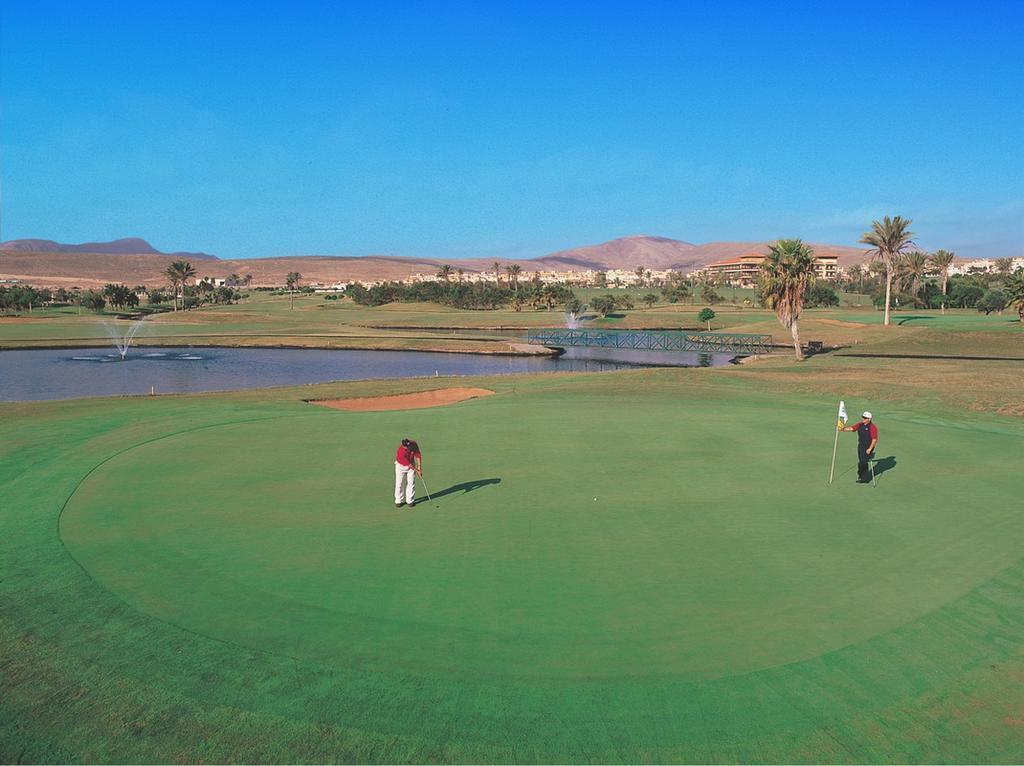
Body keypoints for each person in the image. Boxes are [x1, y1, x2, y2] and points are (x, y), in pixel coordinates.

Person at [840, 411, 878, 483]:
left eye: (865, 418)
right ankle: (862, 476)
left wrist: (870, 449)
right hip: (860, 446)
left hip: (868, 447)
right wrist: (843, 429)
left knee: (863, 462)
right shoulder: (860, 425)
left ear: (869, 419)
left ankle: (864, 478)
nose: (863, 418)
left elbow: (874, 439)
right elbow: (852, 428)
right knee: (862, 461)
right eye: (863, 417)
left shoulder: (872, 427)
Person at [394, 438, 422, 507]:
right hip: (401, 466)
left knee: (411, 482)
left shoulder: (414, 444)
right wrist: (417, 471)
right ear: (404, 446)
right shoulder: (400, 451)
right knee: (399, 483)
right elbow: (408, 464)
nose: (410, 449)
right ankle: (398, 501)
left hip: (411, 463)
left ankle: (410, 500)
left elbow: (418, 455)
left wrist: (419, 467)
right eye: (408, 448)